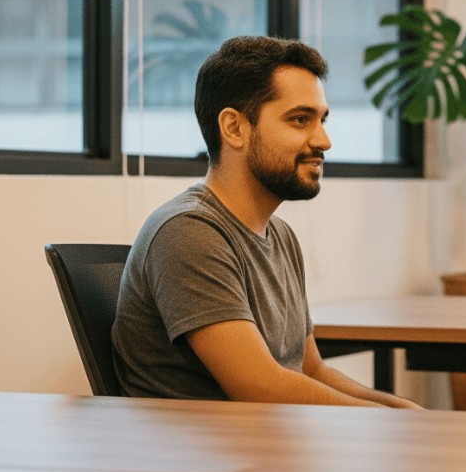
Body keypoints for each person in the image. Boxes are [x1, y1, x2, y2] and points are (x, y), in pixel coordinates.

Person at [113, 35, 421, 408]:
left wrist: (399, 409)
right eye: (300, 120)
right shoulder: (188, 232)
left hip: (274, 447)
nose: (323, 140)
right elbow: (259, 387)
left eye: (321, 120)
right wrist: (388, 424)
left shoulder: (280, 235)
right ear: (234, 128)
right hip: (213, 459)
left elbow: (311, 371)